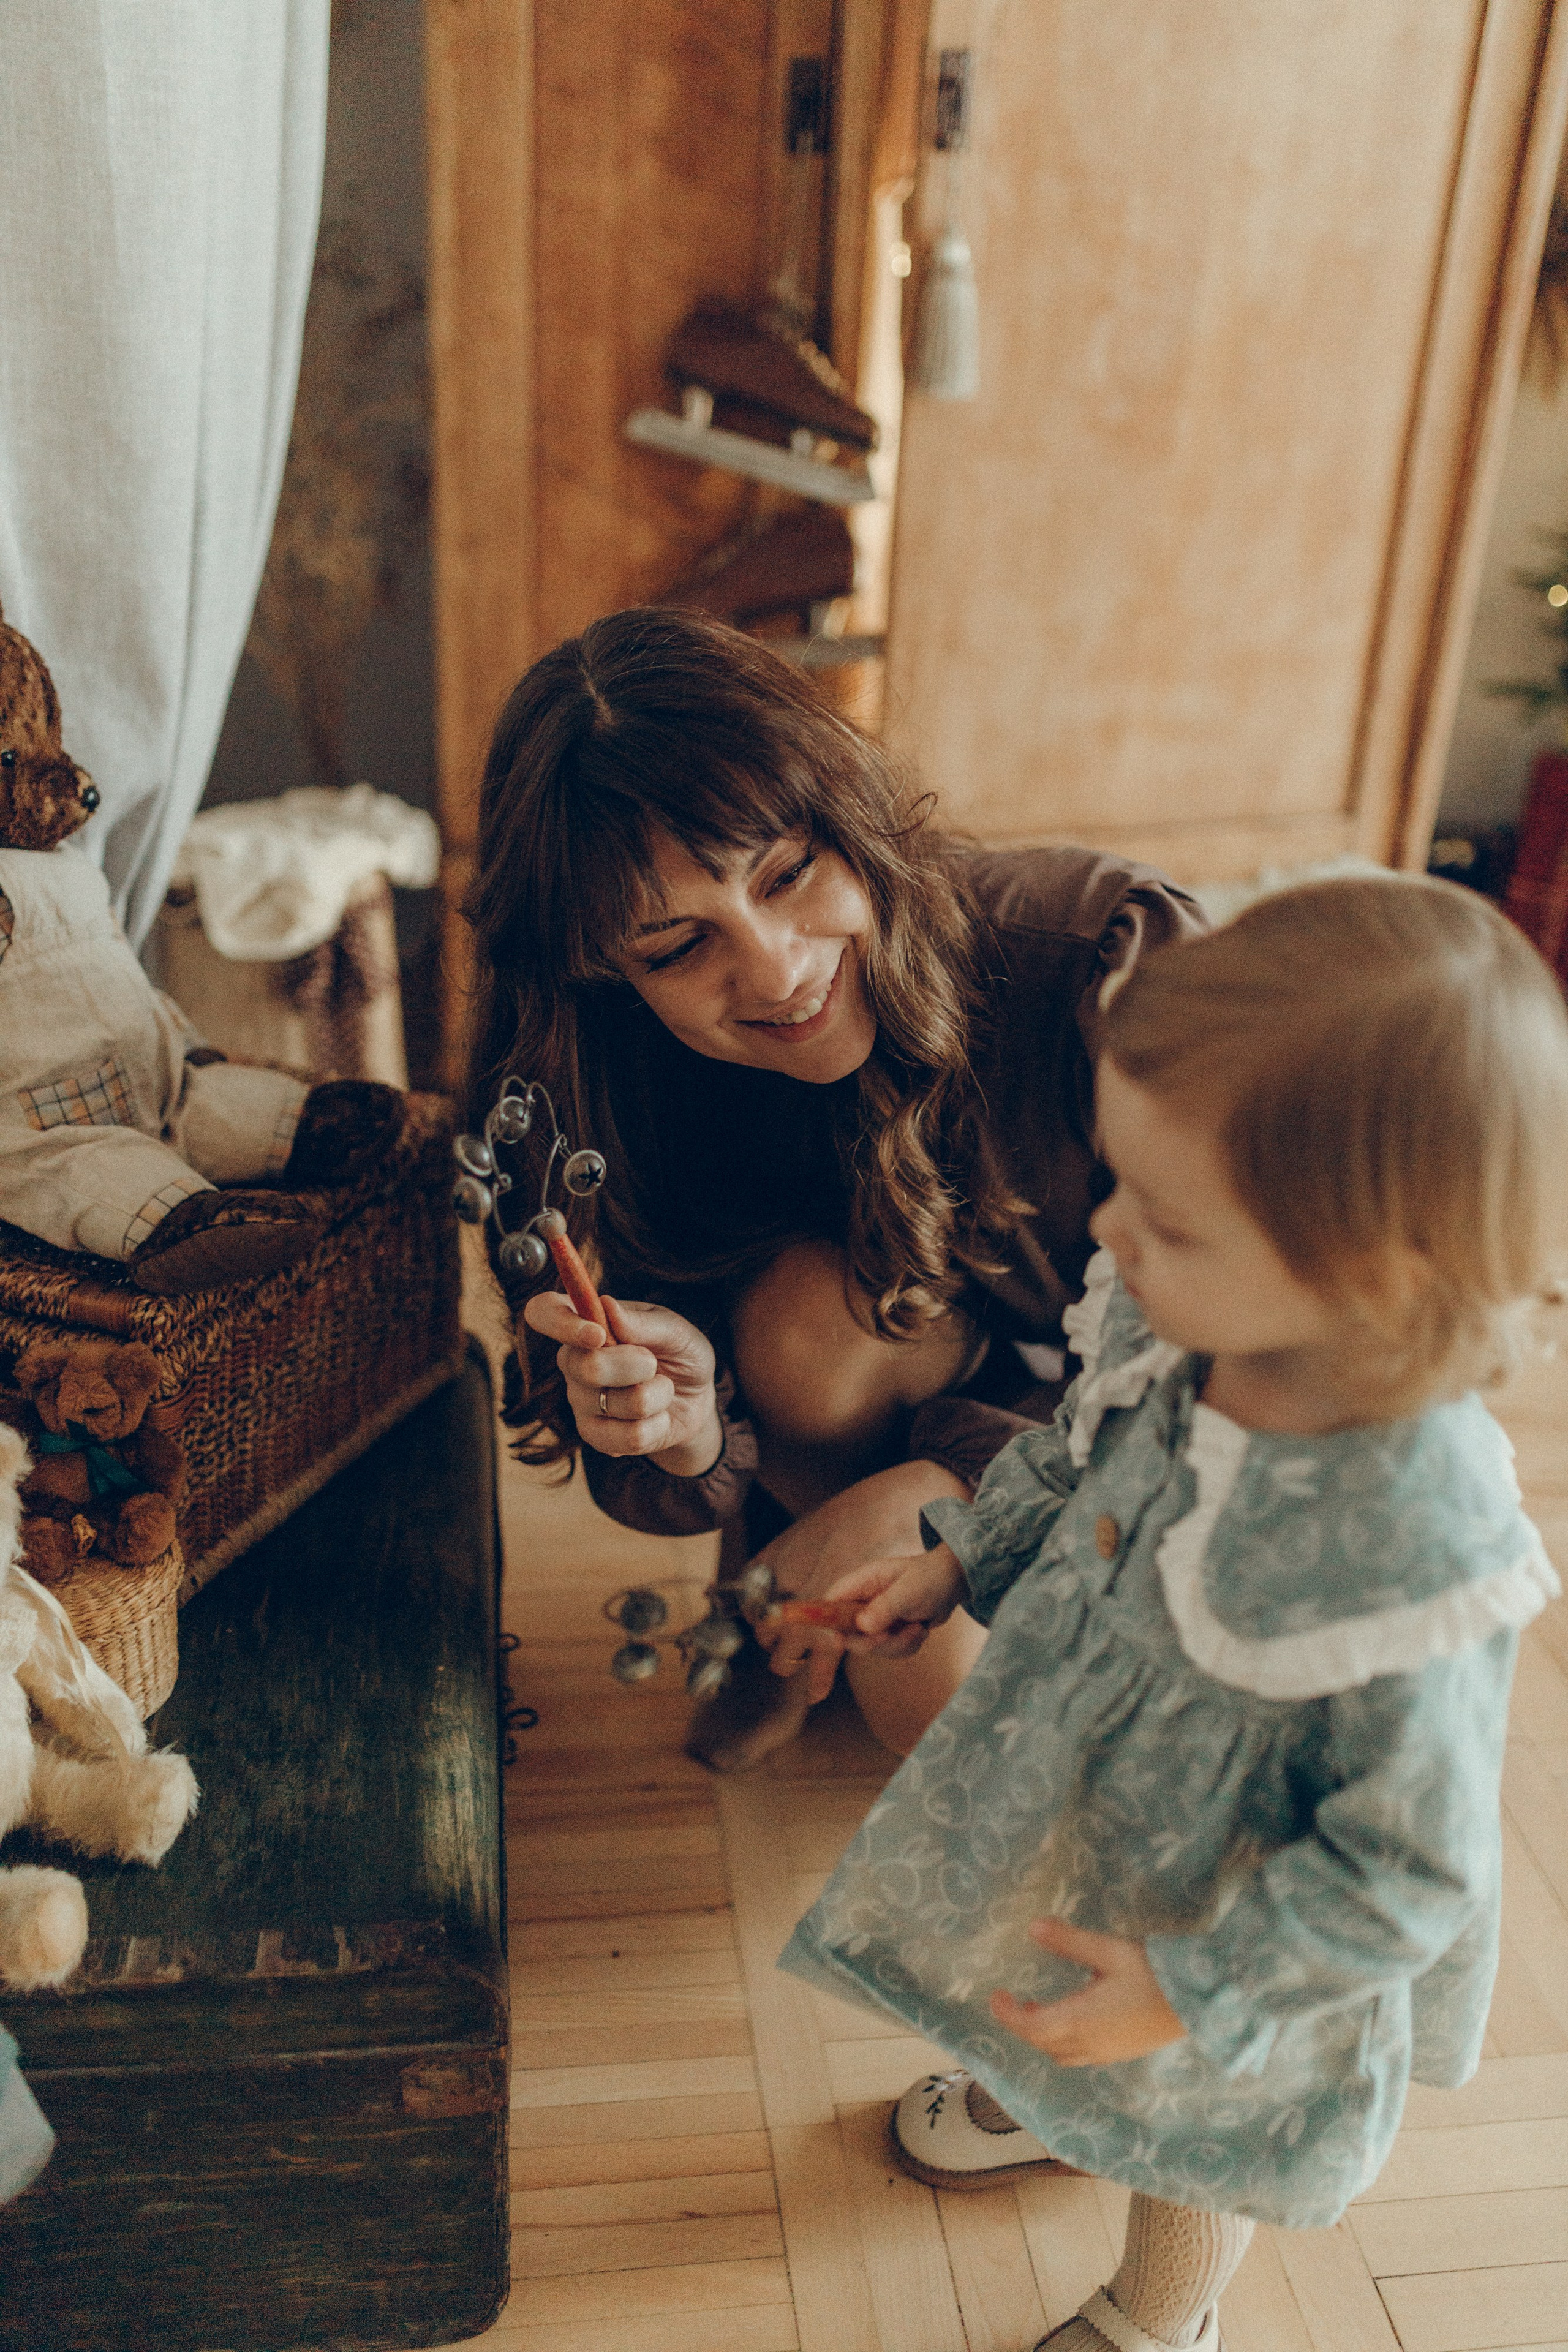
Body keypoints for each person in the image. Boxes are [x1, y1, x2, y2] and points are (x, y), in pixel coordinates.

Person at [777, 873, 1568, 2352]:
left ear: (1374, 1276)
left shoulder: (1416, 1540)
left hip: (1240, 1908)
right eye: (1121, 1181)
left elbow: (1410, 1868)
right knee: (1049, 1951)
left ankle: (1162, 2316)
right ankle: (1055, 2091)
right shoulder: (1180, 1311)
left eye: (1171, 1216)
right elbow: (1078, 1451)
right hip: (1101, 1769)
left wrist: (1192, 1988)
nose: (1116, 1234)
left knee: (1194, 2115)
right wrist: (957, 1562)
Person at [465, 607, 1200, 1767]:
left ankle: (822, 1586)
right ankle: (809, 1593)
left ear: (848, 817)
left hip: (1165, 1447)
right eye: (674, 948)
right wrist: (690, 1429)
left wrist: (946, 1485)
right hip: (968, 1401)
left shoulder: (1104, 958)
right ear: (603, 974)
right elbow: (669, 1452)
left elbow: (1246, 1380)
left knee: (969, 1698)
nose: (777, 970)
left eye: (790, 873)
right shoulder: (604, 1088)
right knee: (805, 1339)